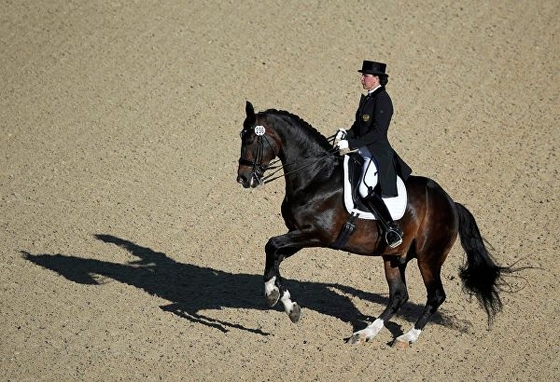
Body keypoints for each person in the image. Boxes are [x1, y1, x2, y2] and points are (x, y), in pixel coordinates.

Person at [336, 60, 412, 248]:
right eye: (362, 75)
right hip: (363, 149)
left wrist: (350, 143)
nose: (362, 78)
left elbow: (377, 133)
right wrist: (346, 133)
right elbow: (358, 127)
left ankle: (391, 228)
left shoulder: (383, 100)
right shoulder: (369, 98)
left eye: (365, 76)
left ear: (377, 78)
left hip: (375, 153)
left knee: (364, 188)